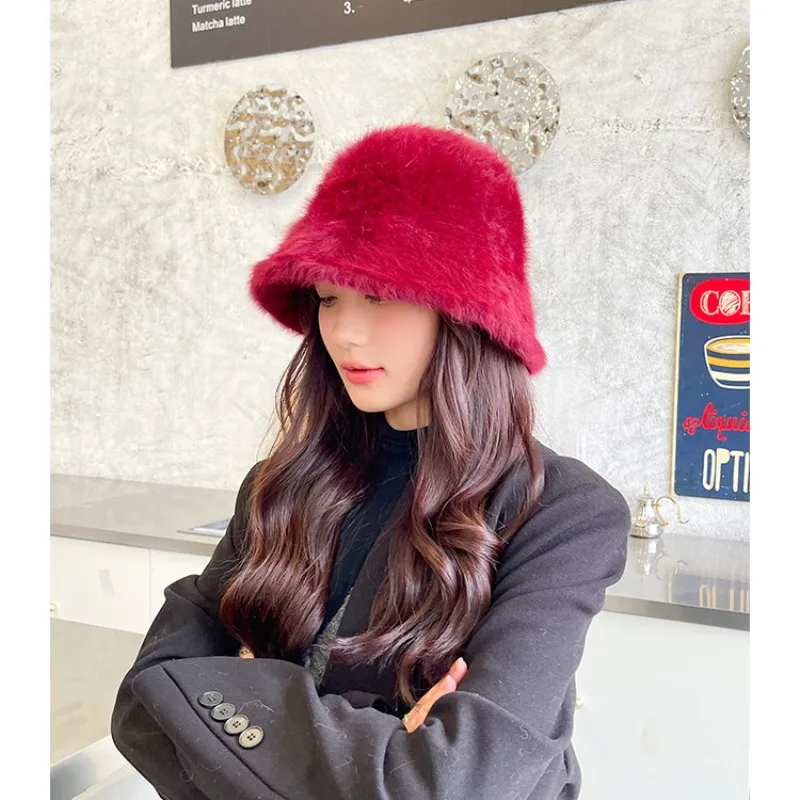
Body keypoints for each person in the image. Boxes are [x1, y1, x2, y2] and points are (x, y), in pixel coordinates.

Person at [110, 122, 631, 800]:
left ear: (466, 314)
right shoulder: (282, 485)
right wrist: (386, 737)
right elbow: (143, 704)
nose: (344, 332)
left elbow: (453, 783)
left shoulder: (562, 511)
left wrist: (234, 700)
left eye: (380, 295)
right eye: (328, 299)